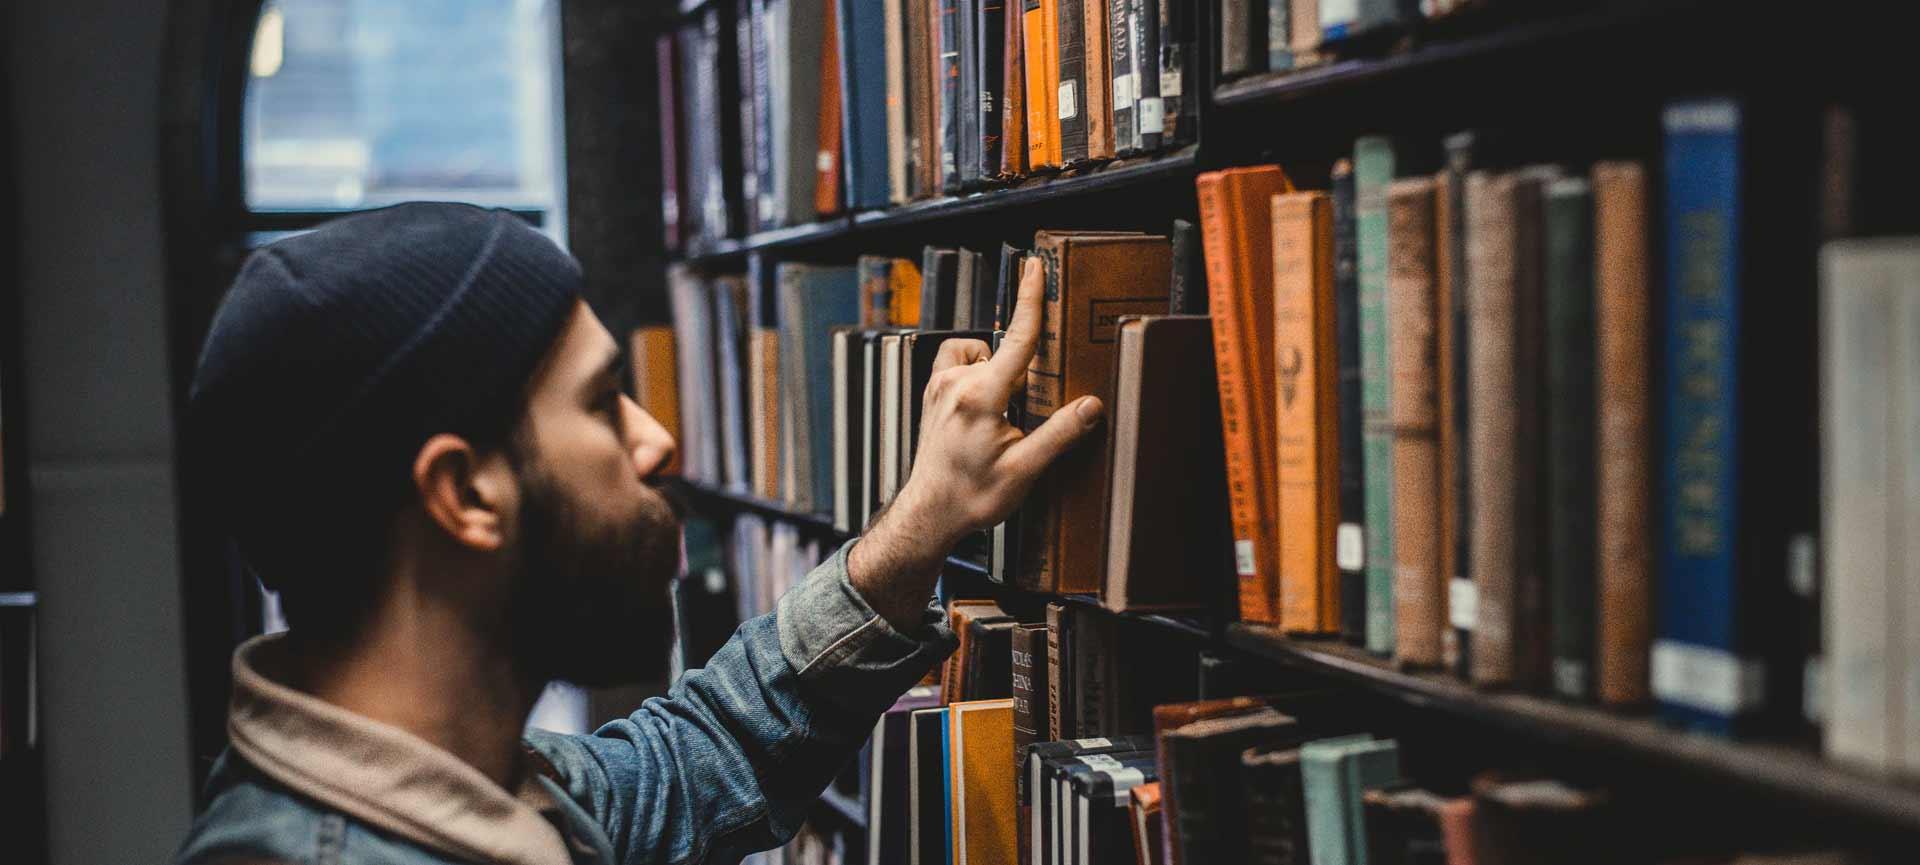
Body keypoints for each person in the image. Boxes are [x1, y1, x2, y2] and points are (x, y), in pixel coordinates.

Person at [172, 203, 1104, 865]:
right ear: (463, 492)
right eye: (600, 402)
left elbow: (709, 750)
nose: (656, 440)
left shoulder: (486, 790)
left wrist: (921, 520)